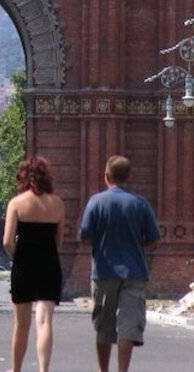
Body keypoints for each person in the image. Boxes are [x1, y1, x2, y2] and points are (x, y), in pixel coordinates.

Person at [79, 155, 161, 372]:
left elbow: (85, 235)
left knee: (104, 327)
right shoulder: (140, 203)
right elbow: (154, 238)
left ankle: (103, 370)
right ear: (128, 177)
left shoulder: (96, 202)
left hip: (104, 272)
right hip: (135, 272)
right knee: (128, 327)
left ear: (107, 176)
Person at [4, 156, 65, 372]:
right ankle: (43, 370)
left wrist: (18, 256)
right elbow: (59, 241)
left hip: (24, 265)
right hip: (49, 264)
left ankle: (16, 369)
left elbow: (7, 241)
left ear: (23, 178)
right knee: (45, 321)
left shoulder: (16, 203)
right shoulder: (57, 204)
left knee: (21, 324)